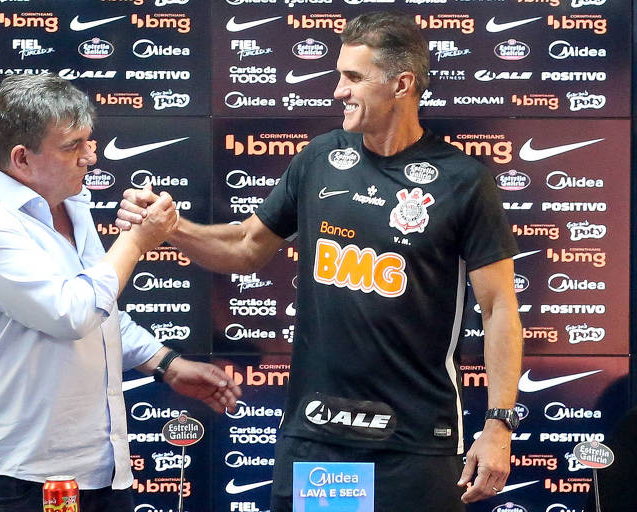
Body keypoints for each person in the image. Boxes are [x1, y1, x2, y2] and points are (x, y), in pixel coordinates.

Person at [116, 12, 523, 511]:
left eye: (353, 78)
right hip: (318, 435)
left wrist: (499, 424)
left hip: (417, 441)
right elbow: (247, 247)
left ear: (401, 83)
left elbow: (500, 306)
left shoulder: (463, 180)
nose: (337, 91)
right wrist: (172, 227)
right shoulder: (319, 158)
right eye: (338, 75)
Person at [0, 73, 241, 512]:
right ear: (22, 158)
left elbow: (100, 311)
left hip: (99, 469)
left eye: (89, 140)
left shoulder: (70, 204)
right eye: (72, 146)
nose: (90, 156)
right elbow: (70, 313)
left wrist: (166, 364)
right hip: (17, 474)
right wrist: (136, 242)